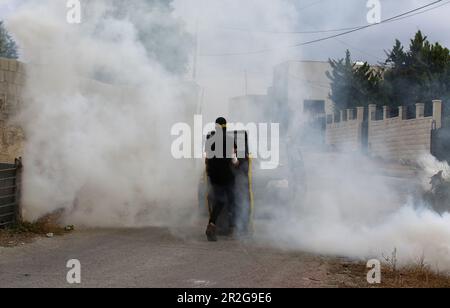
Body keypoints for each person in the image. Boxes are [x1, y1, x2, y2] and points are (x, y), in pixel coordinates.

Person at [205, 117, 239, 242]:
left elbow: (207, 159)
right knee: (232, 200)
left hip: (214, 176)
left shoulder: (210, 139)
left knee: (219, 201)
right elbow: (234, 159)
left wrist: (210, 172)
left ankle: (212, 224)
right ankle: (232, 228)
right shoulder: (230, 140)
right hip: (227, 175)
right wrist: (237, 163)